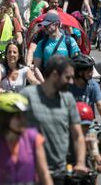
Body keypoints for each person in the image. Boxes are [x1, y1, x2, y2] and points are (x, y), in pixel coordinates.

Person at [21, 55, 87, 183]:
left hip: (59, 173)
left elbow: (78, 136)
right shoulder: (27, 95)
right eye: (68, 77)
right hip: (31, 172)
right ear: (55, 75)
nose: (71, 82)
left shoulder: (68, 99)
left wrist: (80, 162)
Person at [0, 93, 53, 185]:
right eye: (18, 116)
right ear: (4, 118)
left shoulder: (34, 138)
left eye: (24, 115)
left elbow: (44, 174)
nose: (23, 120)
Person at [69, 54, 101, 122]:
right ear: (80, 73)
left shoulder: (93, 85)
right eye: (89, 71)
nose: (92, 73)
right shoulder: (68, 87)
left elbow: (99, 104)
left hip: (88, 123)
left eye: (92, 70)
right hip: (71, 122)